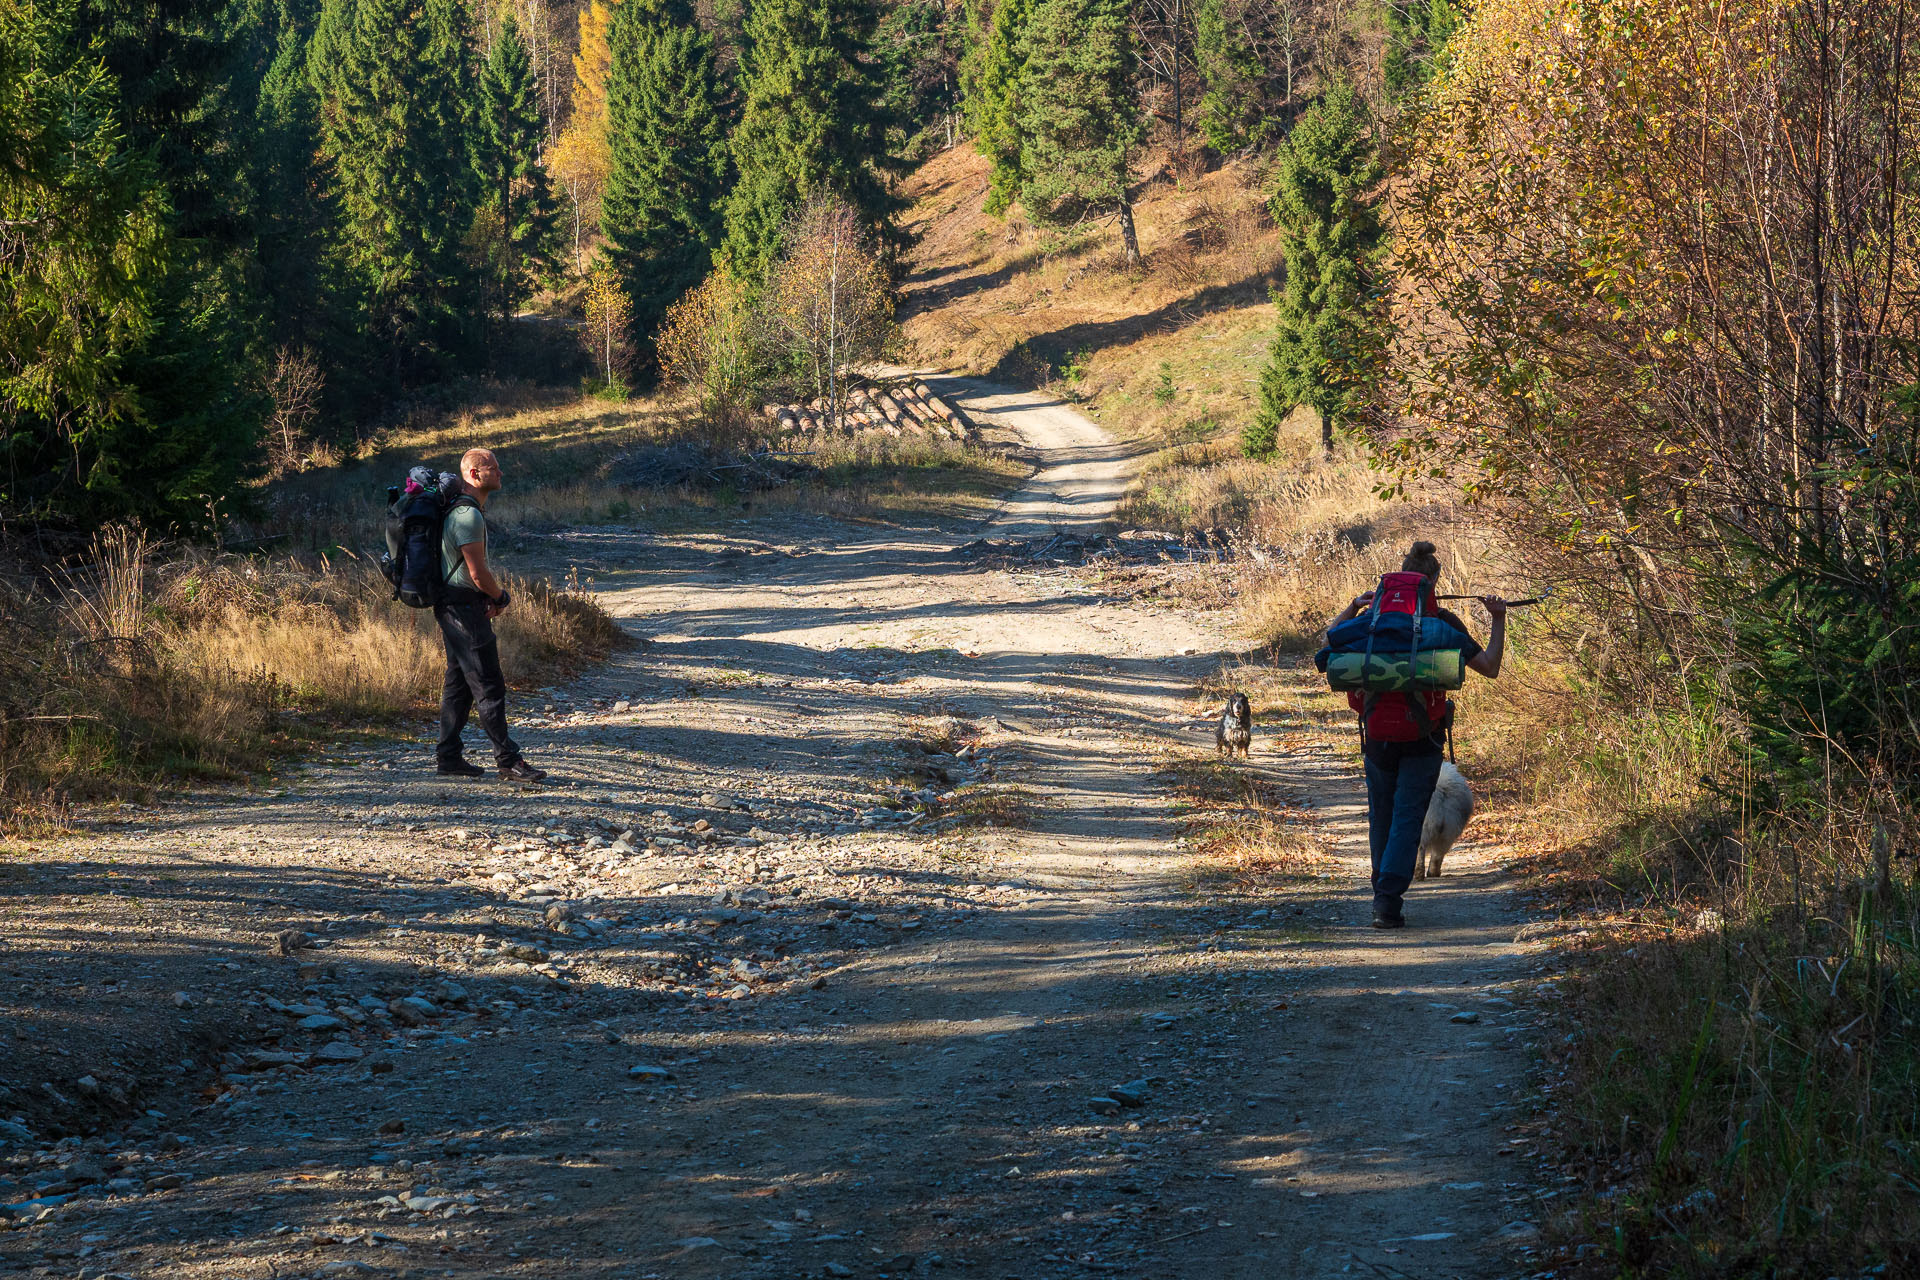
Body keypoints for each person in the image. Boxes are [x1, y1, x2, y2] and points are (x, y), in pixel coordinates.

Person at [1327, 540, 1505, 928]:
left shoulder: (1371, 622)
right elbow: (1490, 667)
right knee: (1409, 817)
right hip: (1424, 738)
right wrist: (1498, 618)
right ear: (1433, 583)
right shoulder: (1443, 623)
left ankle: (1381, 899)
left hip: (1377, 736)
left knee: (1383, 817)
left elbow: (1328, 642)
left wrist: (1356, 606)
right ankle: (1387, 903)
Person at [434, 447, 547, 783]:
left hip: (453, 605)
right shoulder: (468, 515)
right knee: (488, 684)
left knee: (459, 684)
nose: (500, 473)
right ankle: (509, 762)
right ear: (473, 474)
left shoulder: (463, 510)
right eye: (493, 468)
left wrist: (486, 595)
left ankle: (449, 757)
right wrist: (500, 596)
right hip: (463, 611)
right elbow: (479, 573)